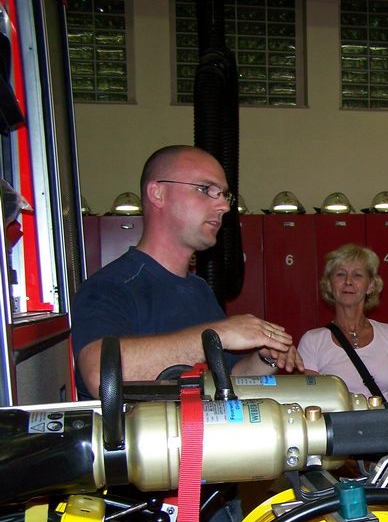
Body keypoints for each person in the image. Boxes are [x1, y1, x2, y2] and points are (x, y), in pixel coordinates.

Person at [72, 145, 301, 399]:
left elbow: (227, 376)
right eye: (206, 190)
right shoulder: (112, 286)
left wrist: (265, 359)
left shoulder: (198, 289)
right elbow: (100, 376)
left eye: (225, 195)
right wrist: (218, 335)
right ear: (158, 193)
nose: (224, 206)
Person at [298, 243, 388, 402]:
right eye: (340, 274)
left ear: (371, 286)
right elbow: (310, 404)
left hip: (386, 426)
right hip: (339, 426)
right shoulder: (312, 341)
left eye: (357, 275)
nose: (348, 281)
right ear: (329, 285)